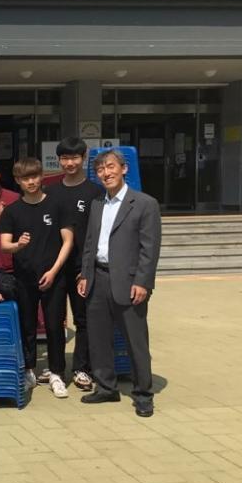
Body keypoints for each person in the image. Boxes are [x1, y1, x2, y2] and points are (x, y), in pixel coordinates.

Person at [79, 149, 161, 417]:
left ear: (124, 169)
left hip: (129, 282)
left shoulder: (145, 203)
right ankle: (106, 387)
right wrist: (85, 274)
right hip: (98, 278)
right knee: (99, 338)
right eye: (101, 169)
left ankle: (143, 394)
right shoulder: (97, 204)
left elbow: (150, 249)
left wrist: (143, 282)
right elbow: (90, 243)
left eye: (111, 167)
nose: (106, 173)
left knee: (135, 341)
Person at [0, 158, 74, 398]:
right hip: (24, 278)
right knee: (27, 326)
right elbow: (4, 244)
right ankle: (28, 370)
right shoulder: (12, 211)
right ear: (18, 181)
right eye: (25, 178)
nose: (30, 182)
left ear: (41, 177)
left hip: (54, 277)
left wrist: (54, 271)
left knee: (54, 326)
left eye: (34, 176)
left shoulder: (57, 205)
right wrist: (18, 245)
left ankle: (56, 373)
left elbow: (68, 241)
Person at [46, 137, 105, 391]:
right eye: (64, 158)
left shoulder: (95, 192)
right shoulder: (51, 191)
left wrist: (89, 268)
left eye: (74, 158)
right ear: (59, 160)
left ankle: (82, 368)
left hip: (83, 267)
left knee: (83, 319)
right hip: (56, 268)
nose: (69, 163)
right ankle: (56, 368)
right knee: (54, 320)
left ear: (84, 158)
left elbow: (100, 233)